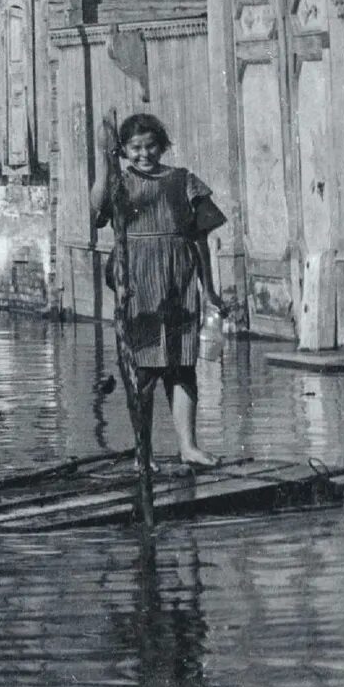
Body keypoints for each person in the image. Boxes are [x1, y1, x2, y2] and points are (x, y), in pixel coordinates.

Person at [91, 112, 235, 466]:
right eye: (135, 148)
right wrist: (103, 157)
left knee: (182, 365)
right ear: (124, 150)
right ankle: (144, 452)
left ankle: (188, 446)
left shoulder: (183, 181)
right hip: (137, 283)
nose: (144, 154)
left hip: (179, 279)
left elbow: (201, 240)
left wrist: (211, 292)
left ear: (163, 145)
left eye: (151, 145)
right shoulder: (119, 182)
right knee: (143, 369)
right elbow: (97, 206)